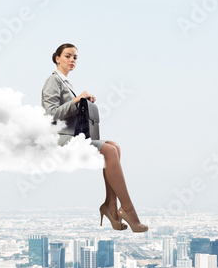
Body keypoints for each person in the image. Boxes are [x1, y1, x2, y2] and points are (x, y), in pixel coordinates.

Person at [41, 43, 148, 232]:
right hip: (61, 138)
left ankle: (111, 206)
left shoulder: (65, 82)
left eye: (75, 57)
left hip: (72, 134)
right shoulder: (53, 81)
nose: (72, 60)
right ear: (57, 58)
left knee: (115, 147)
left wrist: (82, 101)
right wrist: (76, 100)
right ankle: (128, 210)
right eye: (67, 56)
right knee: (110, 151)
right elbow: (50, 114)